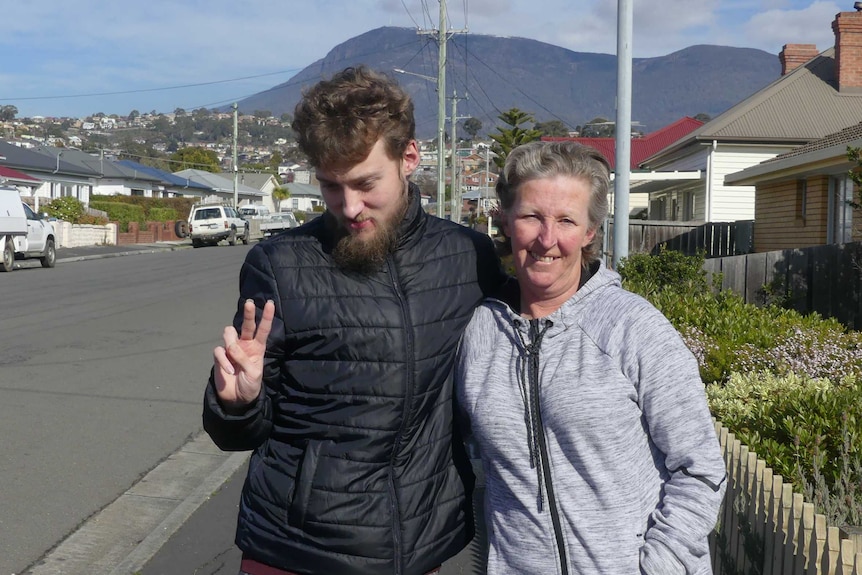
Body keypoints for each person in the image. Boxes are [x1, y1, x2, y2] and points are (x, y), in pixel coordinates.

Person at [202, 66, 509, 575]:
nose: (349, 207)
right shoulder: (280, 265)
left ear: (409, 157)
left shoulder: (466, 256)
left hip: (421, 545)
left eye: (366, 183)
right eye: (330, 186)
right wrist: (237, 404)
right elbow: (237, 432)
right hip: (297, 549)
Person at [455, 141, 727, 574]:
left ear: (590, 232)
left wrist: (656, 566)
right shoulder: (479, 334)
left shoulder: (632, 327)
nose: (547, 239)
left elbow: (700, 470)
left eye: (566, 220)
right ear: (505, 220)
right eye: (531, 217)